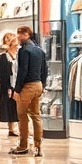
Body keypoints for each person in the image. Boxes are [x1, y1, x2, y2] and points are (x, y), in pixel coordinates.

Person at [11, 25, 47, 157]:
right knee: (36, 115)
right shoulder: (39, 50)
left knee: (21, 115)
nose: (18, 36)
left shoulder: (24, 50)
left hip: (27, 86)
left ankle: (22, 146)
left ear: (27, 35)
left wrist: (17, 89)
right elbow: (44, 70)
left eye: (20, 34)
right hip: (38, 85)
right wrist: (42, 84)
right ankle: (38, 147)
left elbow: (22, 71)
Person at [0, 32, 20, 138]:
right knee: (9, 106)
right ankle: (12, 128)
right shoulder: (2, 58)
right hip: (6, 86)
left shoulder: (19, 56)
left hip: (17, 85)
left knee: (16, 107)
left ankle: (15, 128)